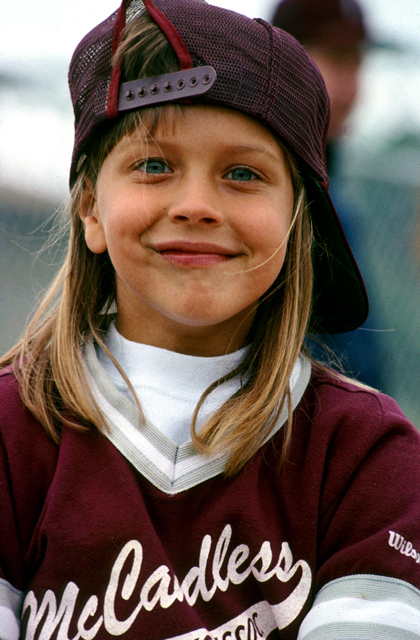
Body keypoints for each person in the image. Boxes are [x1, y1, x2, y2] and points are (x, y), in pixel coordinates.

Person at [1, 1, 420, 638]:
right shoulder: (11, 432)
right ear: (89, 208)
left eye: (243, 173)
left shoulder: (368, 455)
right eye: (154, 165)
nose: (196, 205)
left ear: (298, 223)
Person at [271, 0, 385, 390]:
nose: (355, 89)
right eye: (340, 61)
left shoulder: (336, 196)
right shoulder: (269, 204)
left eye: (359, 64)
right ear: (286, 61)